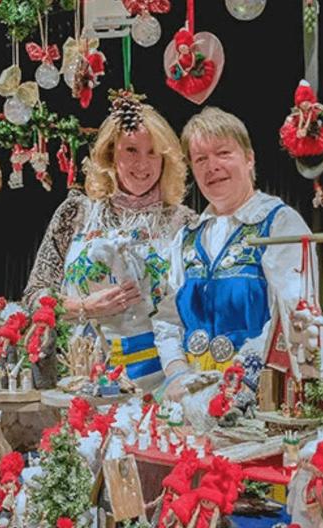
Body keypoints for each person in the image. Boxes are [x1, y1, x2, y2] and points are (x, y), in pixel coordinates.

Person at [23, 94, 195, 388]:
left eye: (153, 152)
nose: (143, 163)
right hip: (80, 378)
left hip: (161, 386)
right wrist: (82, 307)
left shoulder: (185, 224)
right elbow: (34, 295)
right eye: (131, 150)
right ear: (110, 153)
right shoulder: (75, 213)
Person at [154, 107, 319, 402]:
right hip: (191, 398)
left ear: (249, 158)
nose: (211, 166)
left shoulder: (280, 224)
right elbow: (168, 319)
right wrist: (178, 374)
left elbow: (293, 317)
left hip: (259, 395)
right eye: (201, 159)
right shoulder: (186, 237)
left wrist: (240, 379)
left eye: (223, 153)